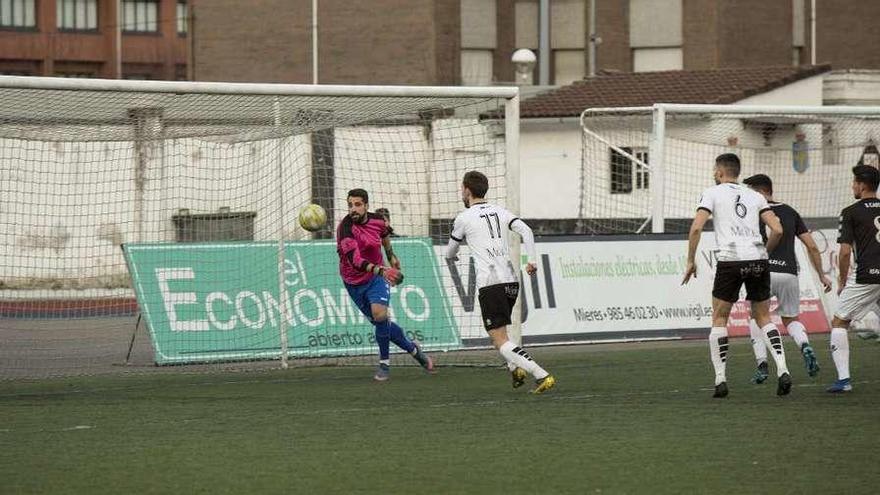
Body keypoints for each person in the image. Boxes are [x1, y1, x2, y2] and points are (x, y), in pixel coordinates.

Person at [682, 153, 792, 398]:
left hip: (730, 260)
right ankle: (783, 369)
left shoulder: (712, 192)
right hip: (757, 258)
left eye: (714, 170)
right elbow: (777, 229)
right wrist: (764, 252)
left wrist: (690, 260)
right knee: (763, 316)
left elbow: (697, 227)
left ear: (720, 172)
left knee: (720, 318)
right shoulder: (755, 196)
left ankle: (720, 379)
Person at [445, 170, 556, 394]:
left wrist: (452, 256)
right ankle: (516, 369)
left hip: (490, 283)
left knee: (499, 340)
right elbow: (526, 230)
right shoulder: (500, 211)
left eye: (461, 188)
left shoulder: (463, 218)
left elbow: (450, 251)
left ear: (467, 190)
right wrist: (532, 260)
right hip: (511, 282)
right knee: (502, 335)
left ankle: (541, 374)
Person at [742, 174, 832, 383]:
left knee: (756, 315)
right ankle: (804, 345)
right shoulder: (791, 211)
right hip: (789, 273)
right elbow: (811, 246)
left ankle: (762, 364)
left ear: (760, 192)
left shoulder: (753, 211)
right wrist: (821, 275)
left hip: (764, 271)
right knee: (791, 319)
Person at [336, 188, 434, 381]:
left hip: (375, 279)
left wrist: (391, 256)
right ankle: (414, 350)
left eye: (357, 205)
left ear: (366, 206)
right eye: (350, 205)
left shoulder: (378, 220)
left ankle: (384, 364)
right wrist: (383, 270)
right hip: (353, 281)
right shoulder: (345, 229)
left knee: (380, 314)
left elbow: (384, 234)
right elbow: (356, 261)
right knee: (381, 322)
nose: (353, 209)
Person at [827, 165, 880, 393]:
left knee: (839, 322)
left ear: (861, 185)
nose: (852, 186)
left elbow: (845, 252)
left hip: (867, 275)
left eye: (854, 182)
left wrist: (841, 281)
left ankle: (843, 380)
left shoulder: (851, 211)